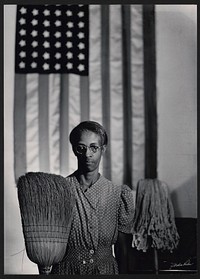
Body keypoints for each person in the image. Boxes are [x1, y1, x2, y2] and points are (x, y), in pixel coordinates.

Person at [50, 121, 135, 275]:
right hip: (67, 271)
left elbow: (123, 249)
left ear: (103, 149)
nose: (87, 154)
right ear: (74, 150)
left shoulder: (117, 194)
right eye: (81, 148)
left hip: (106, 271)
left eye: (94, 148)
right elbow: (50, 244)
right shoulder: (60, 190)